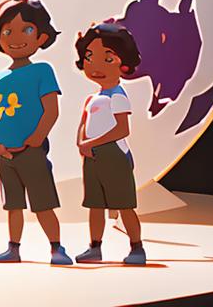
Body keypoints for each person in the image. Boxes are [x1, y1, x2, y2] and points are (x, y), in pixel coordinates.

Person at [0, 0, 72, 265]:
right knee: (13, 205)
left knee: (43, 202)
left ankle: (57, 247)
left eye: (26, 29)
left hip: (31, 152)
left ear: (41, 37)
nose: (16, 38)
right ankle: (14, 248)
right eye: (8, 31)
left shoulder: (42, 70)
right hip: (4, 154)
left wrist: (34, 140)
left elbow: (51, 111)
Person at [73, 21, 147, 266]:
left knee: (123, 204)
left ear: (123, 62)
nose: (96, 66)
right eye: (90, 57)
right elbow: (83, 124)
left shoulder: (117, 95)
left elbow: (122, 128)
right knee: (95, 205)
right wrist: (82, 143)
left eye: (108, 58)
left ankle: (137, 247)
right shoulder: (91, 98)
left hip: (113, 154)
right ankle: (95, 247)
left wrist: (92, 142)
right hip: (92, 156)